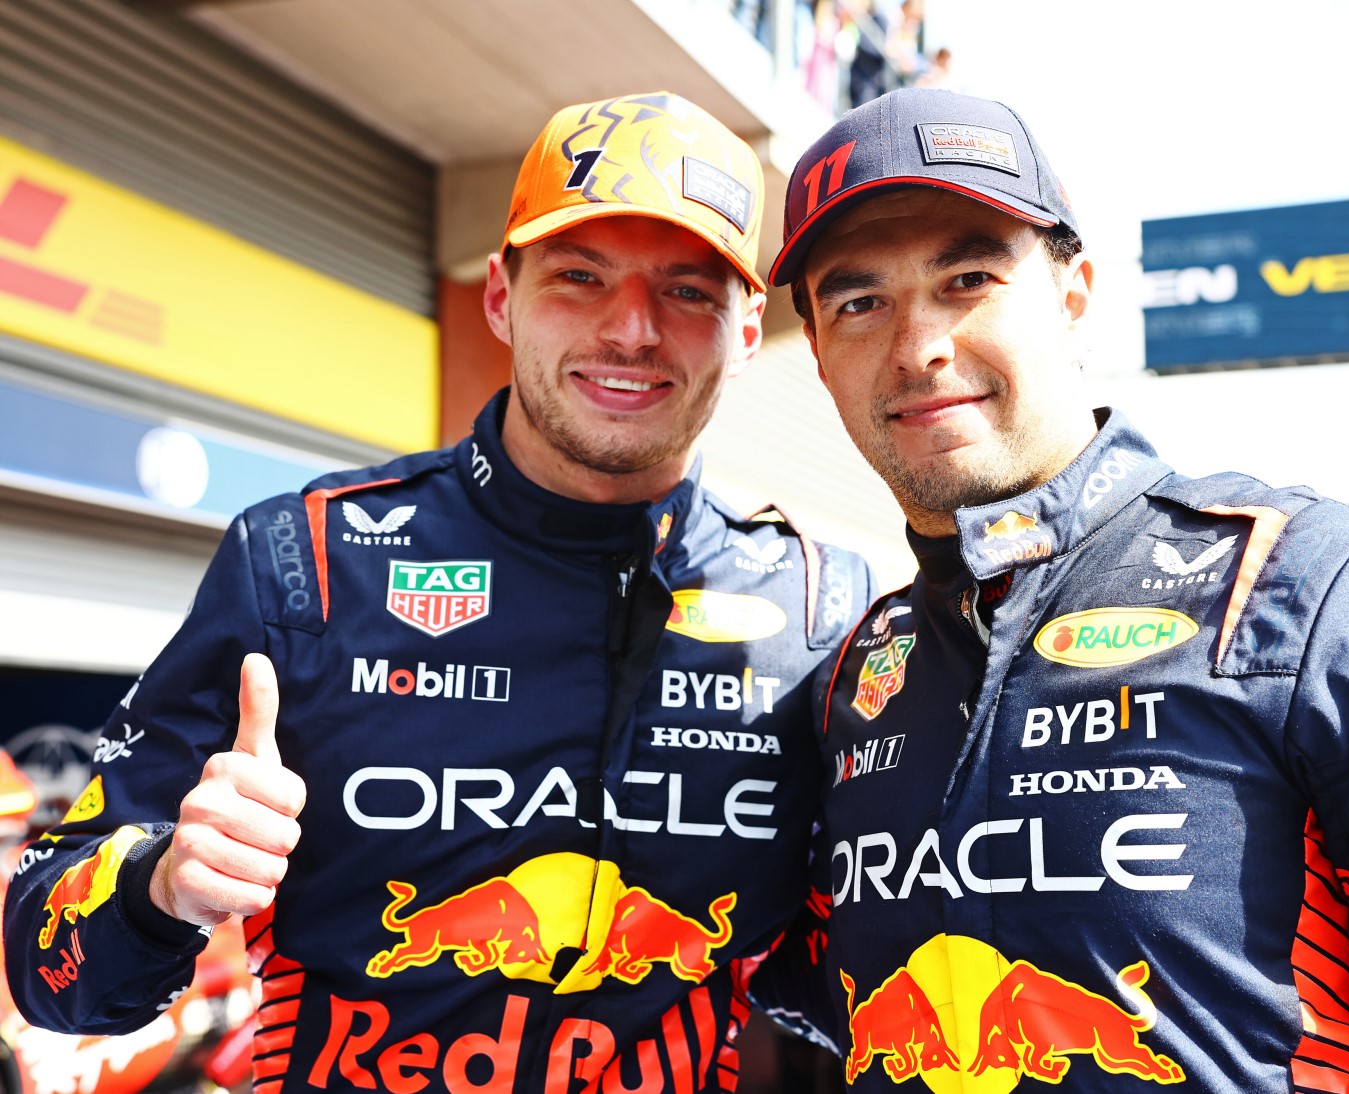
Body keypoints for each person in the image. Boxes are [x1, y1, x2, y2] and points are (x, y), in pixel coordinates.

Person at [4, 91, 874, 1091]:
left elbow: (858, 963)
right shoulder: (307, 561)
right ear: (501, 295)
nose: (631, 328)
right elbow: (45, 965)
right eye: (579, 277)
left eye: (687, 291)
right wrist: (160, 885)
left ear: (750, 328)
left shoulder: (819, 603)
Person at [755, 86, 1349, 1091]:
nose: (918, 346)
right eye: (859, 302)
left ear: (1072, 293)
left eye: (968, 277)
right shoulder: (856, 667)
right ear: (817, 350)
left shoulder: (1310, 579)